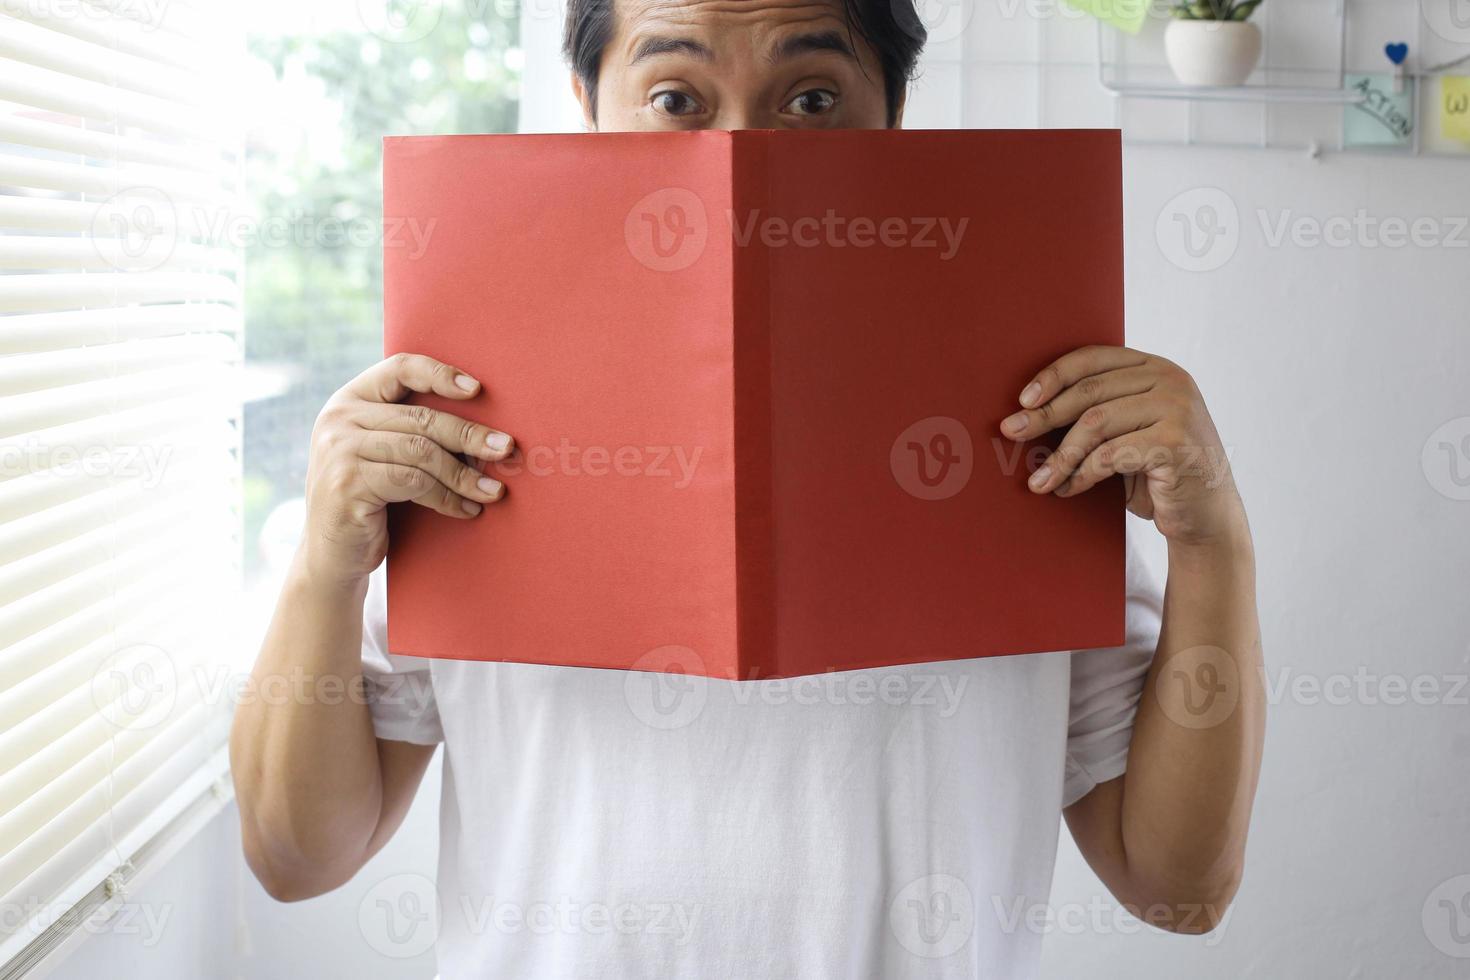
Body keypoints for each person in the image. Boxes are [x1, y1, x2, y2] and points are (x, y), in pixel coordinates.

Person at [230, 0, 1265, 975]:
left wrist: (1214, 537)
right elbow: (297, 856)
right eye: (675, 97)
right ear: (585, 107)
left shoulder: (1022, 423)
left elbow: (1178, 886)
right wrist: (325, 559)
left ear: (894, 118)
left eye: (812, 98)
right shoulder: (462, 412)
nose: (739, 153)